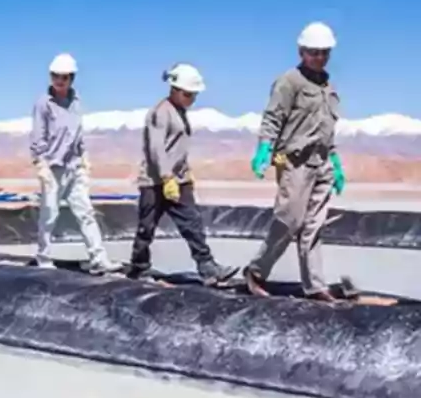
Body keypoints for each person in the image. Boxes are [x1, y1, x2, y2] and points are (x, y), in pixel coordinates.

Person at [243, 22, 346, 301]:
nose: (319, 57)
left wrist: (335, 163)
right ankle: (256, 270)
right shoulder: (289, 81)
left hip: (322, 163)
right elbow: (273, 117)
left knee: (314, 225)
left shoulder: (328, 87)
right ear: (301, 51)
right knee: (290, 220)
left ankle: (314, 285)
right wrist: (264, 149)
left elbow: (327, 129)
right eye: (313, 52)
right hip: (295, 162)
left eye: (324, 52)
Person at [129, 64, 238, 285]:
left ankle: (208, 267)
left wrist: (184, 173)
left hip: (179, 179)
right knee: (146, 226)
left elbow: (176, 147)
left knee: (192, 222)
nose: (192, 99)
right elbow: (157, 148)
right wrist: (167, 177)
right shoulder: (160, 112)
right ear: (174, 90)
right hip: (155, 182)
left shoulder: (180, 112)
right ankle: (138, 267)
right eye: (188, 94)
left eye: (194, 95)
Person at [30, 53, 124, 274]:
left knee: (85, 212)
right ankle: (44, 257)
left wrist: (83, 158)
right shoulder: (44, 104)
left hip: (74, 166)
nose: (59, 81)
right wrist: (40, 163)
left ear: (72, 78)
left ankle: (98, 259)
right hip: (52, 167)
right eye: (55, 76)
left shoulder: (76, 101)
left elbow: (77, 130)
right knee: (50, 213)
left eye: (63, 77)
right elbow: (37, 136)